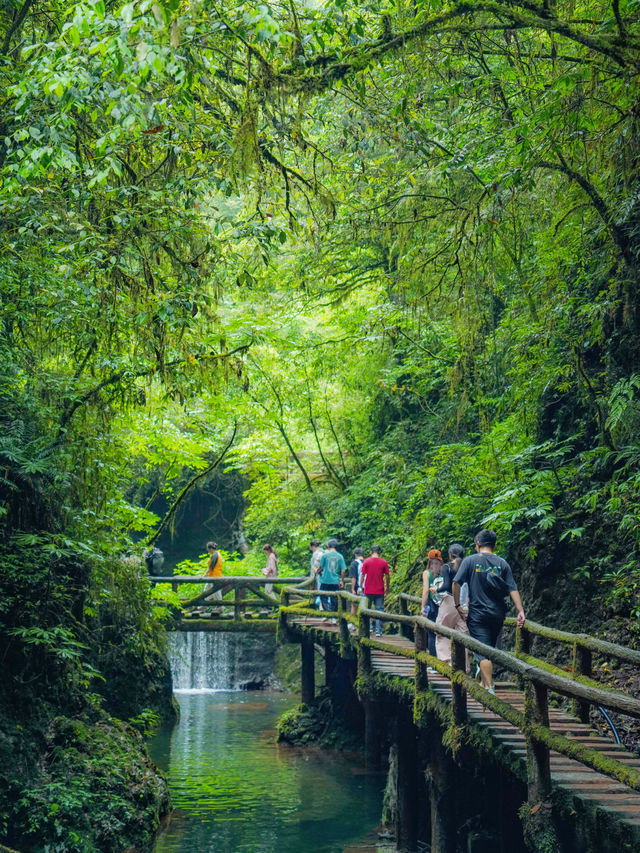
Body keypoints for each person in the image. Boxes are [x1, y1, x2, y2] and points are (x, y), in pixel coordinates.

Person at [453, 529, 526, 694]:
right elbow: (512, 589)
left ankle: (488, 688)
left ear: (478, 545)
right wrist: (520, 611)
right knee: (490, 649)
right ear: (495, 545)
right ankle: (483, 676)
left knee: (483, 652)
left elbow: (455, 583)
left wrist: (458, 605)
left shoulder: (470, 561)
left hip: (477, 615)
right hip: (497, 615)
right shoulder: (502, 563)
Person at [435, 544, 469, 663]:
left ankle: (446, 661)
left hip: (450, 601)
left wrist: (436, 589)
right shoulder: (466, 566)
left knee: (441, 631)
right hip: (465, 603)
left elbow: (446, 585)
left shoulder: (447, 567)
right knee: (462, 635)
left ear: (450, 555)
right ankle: (463, 665)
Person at [360, 545, 390, 637]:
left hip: (368, 589)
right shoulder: (383, 562)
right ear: (380, 552)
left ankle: (369, 628)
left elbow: (362, 575)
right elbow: (387, 576)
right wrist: (387, 587)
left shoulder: (366, 561)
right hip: (379, 590)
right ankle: (378, 631)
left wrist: (361, 586)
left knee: (367, 609)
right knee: (379, 610)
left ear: (370, 552)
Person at [315, 538, 346, 618]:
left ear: (328, 546)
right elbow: (343, 570)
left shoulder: (325, 555)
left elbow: (320, 567)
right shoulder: (340, 556)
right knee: (334, 599)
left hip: (325, 580)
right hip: (335, 581)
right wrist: (341, 580)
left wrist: (316, 571)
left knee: (323, 596)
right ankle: (333, 617)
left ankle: (327, 612)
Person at [421, 549, 444, 656]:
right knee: (441, 633)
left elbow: (426, 591)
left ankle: (433, 660)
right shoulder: (443, 572)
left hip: (431, 605)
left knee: (431, 633)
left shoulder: (427, 573)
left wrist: (423, 607)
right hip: (443, 605)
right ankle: (442, 658)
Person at [344, 547, 365, 631]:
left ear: (355, 554)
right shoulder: (367, 562)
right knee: (365, 606)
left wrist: (353, 588)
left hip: (358, 587)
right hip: (366, 588)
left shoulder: (354, 563)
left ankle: (353, 624)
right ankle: (366, 626)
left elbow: (353, 577)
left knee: (354, 605)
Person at [309, 539, 324, 610]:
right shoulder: (323, 552)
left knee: (320, 591)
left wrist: (312, 578)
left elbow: (315, 566)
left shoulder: (316, 554)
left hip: (319, 576)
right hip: (323, 575)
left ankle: (321, 606)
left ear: (312, 546)